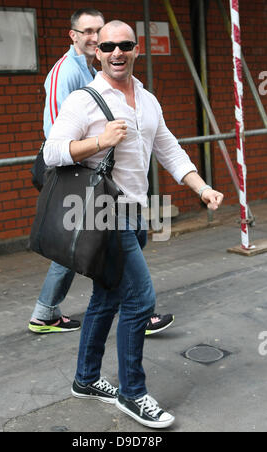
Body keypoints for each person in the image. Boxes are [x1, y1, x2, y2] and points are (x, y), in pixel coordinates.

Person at [43, 21, 224, 429]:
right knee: (140, 301)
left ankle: (86, 379)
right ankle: (132, 392)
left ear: (137, 49)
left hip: (138, 213)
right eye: (107, 46)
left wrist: (201, 187)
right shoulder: (84, 100)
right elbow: (53, 152)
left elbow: (169, 150)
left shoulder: (146, 99)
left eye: (125, 45)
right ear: (97, 51)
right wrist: (99, 142)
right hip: (104, 217)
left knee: (105, 300)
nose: (116, 52)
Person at [29, 9, 174, 337]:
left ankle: (53, 311)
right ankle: (132, 306)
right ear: (74, 35)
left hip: (101, 178)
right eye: (89, 31)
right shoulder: (65, 72)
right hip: (76, 174)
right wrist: (97, 143)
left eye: (100, 31)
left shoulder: (91, 68)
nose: (96, 37)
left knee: (84, 243)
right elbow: (57, 138)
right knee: (77, 242)